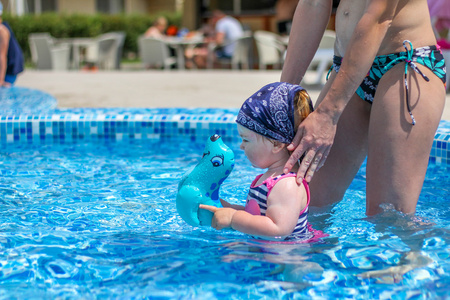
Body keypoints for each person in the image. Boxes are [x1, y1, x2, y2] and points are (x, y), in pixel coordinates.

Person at [280, 0, 446, 216]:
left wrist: (328, 114)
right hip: (348, 67)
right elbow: (313, 4)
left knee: (389, 218)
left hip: (405, 65)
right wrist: (283, 94)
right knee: (302, 207)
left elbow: (378, 19)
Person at [200, 82, 320, 242]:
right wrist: (225, 208)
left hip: (290, 259)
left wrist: (233, 218)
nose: (241, 146)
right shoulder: (269, 179)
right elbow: (256, 217)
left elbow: (279, 229)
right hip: (268, 253)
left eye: (246, 140)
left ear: (276, 144)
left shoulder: (287, 185)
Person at [0, 1, 24, 87]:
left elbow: (2, 56)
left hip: (11, 66)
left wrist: (1, 80)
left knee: (4, 91)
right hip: (7, 63)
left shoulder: (2, 30)